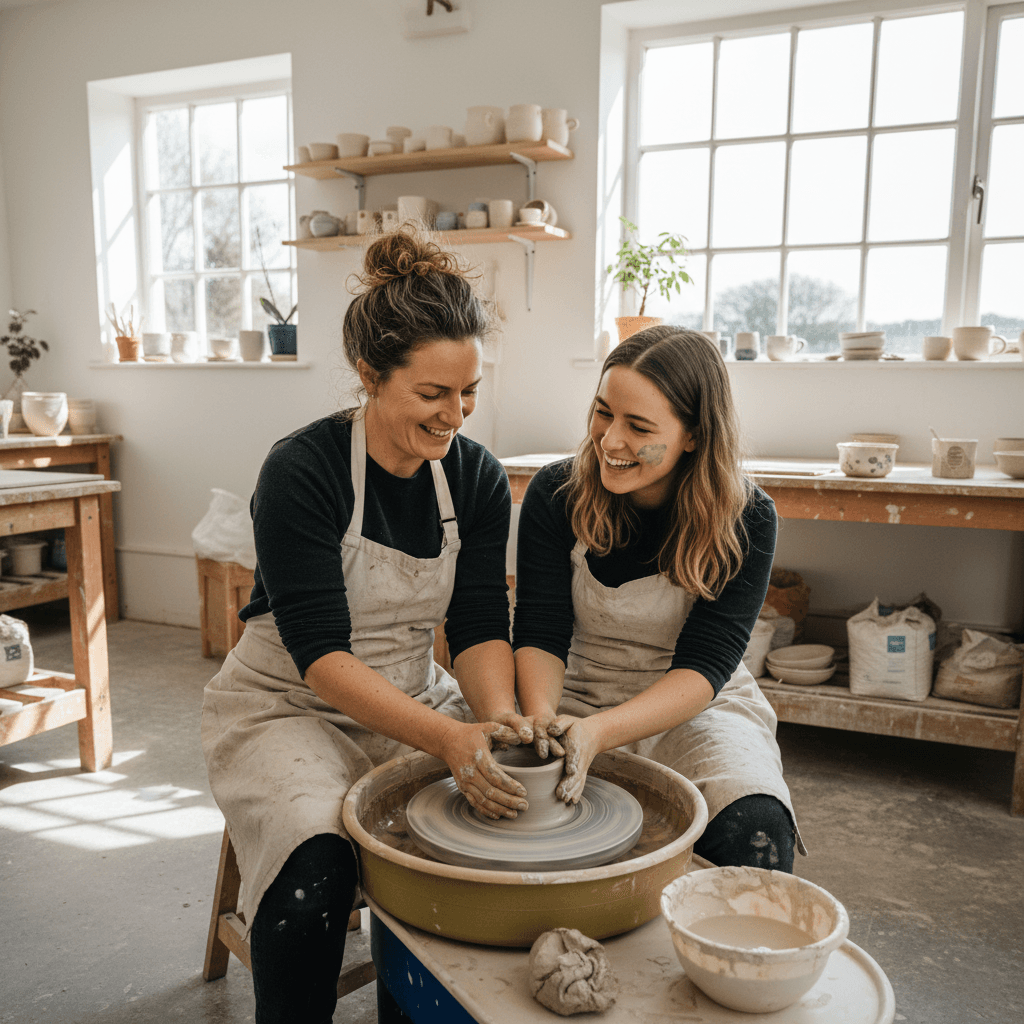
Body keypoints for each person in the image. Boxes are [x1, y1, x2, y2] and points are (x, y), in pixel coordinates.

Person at [202, 229, 533, 1024]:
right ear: (368, 377)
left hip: (417, 695)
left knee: (492, 837)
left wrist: (493, 720)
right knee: (315, 867)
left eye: (470, 393)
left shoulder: (477, 477)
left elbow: (482, 620)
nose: (455, 415)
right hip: (288, 703)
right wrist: (448, 741)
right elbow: (319, 656)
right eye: (432, 395)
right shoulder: (302, 471)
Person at [512, 325, 805, 872]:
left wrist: (600, 733)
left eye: (638, 426)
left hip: (693, 704)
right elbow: (539, 629)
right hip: (570, 690)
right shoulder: (557, 495)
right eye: (603, 413)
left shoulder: (747, 517)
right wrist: (544, 723)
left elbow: (707, 662)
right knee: (516, 819)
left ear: (693, 435)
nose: (610, 441)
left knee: (755, 831)